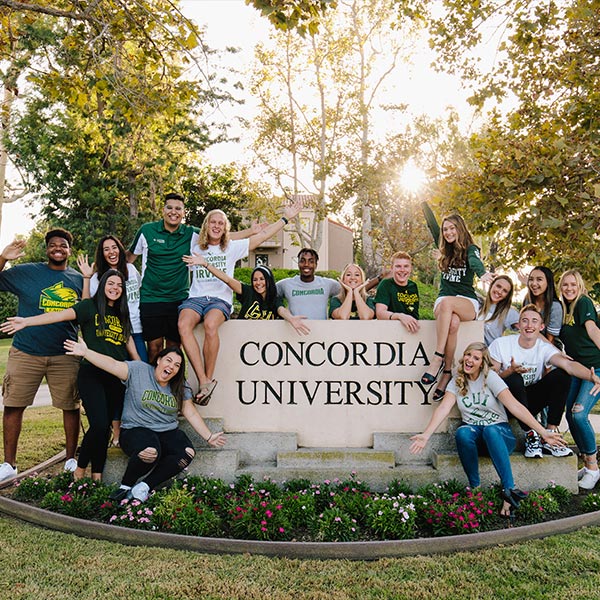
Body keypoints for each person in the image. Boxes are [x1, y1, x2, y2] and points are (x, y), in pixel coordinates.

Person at [1, 270, 140, 481]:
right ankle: (79, 468)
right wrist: (27, 322)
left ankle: (97, 476)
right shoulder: (89, 306)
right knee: (100, 425)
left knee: (104, 431)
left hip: (116, 375)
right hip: (92, 373)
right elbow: (58, 315)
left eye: (119, 285)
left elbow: (127, 340)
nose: (115, 288)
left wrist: (139, 365)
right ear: (102, 285)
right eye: (110, 283)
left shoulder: (122, 312)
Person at [410, 342, 567, 517]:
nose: (470, 360)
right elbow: (443, 408)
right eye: (468, 355)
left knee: (490, 430)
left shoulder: (490, 378)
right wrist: (426, 435)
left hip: (499, 434)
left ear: (482, 363)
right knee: (463, 432)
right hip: (476, 434)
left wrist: (543, 431)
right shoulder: (457, 380)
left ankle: (509, 491)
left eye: (476, 358)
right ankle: (474, 490)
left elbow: (515, 406)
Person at [63, 339, 226, 503]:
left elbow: (190, 412)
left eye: (177, 365)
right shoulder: (139, 370)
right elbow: (112, 364)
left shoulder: (179, 385)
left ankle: (144, 486)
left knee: (187, 452)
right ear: (159, 360)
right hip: (136, 429)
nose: (171, 367)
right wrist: (86, 352)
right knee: (150, 451)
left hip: (166, 431)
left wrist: (209, 436)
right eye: (168, 360)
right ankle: (125, 486)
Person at [179, 200, 303, 403]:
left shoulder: (231, 248)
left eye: (221, 223)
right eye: (213, 222)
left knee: (211, 325)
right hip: (196, 298)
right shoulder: (194, 247)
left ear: (225, 228)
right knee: (183, 325)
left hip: (219, 300)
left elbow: (262, 236)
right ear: (206, 225)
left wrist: (285, 218)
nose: (217, 226)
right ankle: (204, 380)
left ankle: (206, 380)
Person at [0, 230, 82, 482]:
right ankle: (8, 464)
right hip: (26, 351)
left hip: (65, 353)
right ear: (46, 249)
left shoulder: (79, 279)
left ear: (70, 250)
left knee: (70, 405)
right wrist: (3, 258)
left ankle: (70, 458)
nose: (58, 248)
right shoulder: (27, 272)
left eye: (63, 245)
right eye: (53, 245)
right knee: (14, 405)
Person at [489, 304, 600, 459]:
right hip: (505, 403)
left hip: (529, 402)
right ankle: (531, 435)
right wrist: (509, 371)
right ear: (519, 325)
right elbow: (489, 378)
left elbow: (569, 365)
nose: (529, 325)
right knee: (514, 379)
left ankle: (550, 433)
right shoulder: (501, 344)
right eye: (525, 321)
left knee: (562, 375)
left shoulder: (544, 348)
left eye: (534, 321)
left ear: (541, 327)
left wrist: (591, 376)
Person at [421, 214, 493, 400]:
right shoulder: (444, 248)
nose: (448, 232)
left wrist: (482, 273)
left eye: (452, 228)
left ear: (460, 228)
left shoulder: (471, 248)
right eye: (445, 229)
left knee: (449, 304)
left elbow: (474, 261)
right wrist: (422, 200)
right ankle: (446, 372)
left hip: (465, 301)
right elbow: (431, 224)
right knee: (452, 322)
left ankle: (438, 357)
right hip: (444, 299)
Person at [186, 257, 310, 334]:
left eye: (262, 279)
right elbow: (227, 280)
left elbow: (281, 309)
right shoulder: (248, 292)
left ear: (269, 280)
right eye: (255, 279)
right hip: (241, 337)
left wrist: (291, 318)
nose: (258, 283)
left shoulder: (274, 298)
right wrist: (206, 264)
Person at [558, 270, 600, 489]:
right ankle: (587, 462)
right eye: (565, 285)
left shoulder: (583, 303)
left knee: (579, 413)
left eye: (573, 284)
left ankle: (593, 468)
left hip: (596, 370)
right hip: (578, 369)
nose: (569, 288)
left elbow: (592, 330)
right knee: (569, 415)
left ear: (580, 285)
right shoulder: (562, 310)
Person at [79, 235, 147, 361]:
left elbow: (140, 292)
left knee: (140, 367)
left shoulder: (131, 269)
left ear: (120, 250)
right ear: (102, 254)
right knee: (117, 373)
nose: (111, 252)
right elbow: (85, 305)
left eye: (114, 247)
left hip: (136, 329)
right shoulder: (98, 277)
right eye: (106, 249)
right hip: (113, 331)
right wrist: (87, 277)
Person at [276, 248, 341, 321]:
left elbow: (345, 294)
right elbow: (270, 296)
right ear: (298, 264)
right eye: (302, 261)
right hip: (295, 330)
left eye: (311, 261)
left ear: (316, 265)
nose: (306, 264)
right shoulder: (285, 284)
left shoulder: (328, 284)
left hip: (321, 330)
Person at [374, 251, 419, 332]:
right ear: (392, 268)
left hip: (411, 331)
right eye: (398, 266)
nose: (402, 270)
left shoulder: (413, 286)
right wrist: (400, 316)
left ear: (411, 268)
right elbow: (380, 313)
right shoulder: (385, 284)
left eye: (406, 266)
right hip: (390, 332)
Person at [522, 266, 563, 344]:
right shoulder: (528, 301)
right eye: (531, 279)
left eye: (539, 279)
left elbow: (550, 341)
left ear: (548, 282)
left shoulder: (555, 307)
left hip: (548, 348)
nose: (534, 283)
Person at [477, 274, 519, 346]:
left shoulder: (508, 312)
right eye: (498, 286)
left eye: (505, 291)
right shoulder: (478, 302)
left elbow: (527, 329)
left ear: (507, 296)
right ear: (492, 285)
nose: (499, 291)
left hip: (488, 354)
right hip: (469, 351)